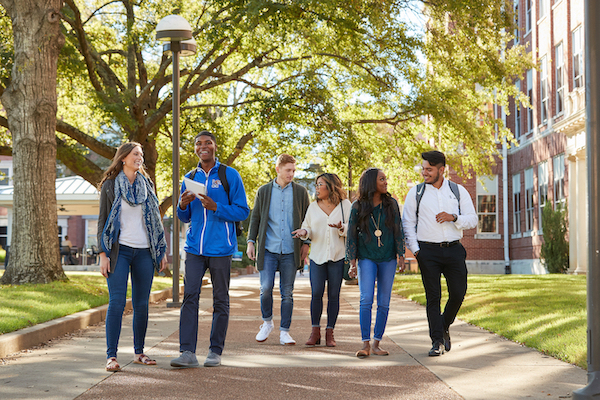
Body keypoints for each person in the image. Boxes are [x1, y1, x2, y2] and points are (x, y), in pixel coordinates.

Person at [170, 131, 249, 368]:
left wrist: (217, 207)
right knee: (190, 298)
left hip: (221, 248)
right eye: (198, 144)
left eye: (207, 143)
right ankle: (187, 352)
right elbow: (184, 216)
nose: (203, 147)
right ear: (195, 149)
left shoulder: (229, 175)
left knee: (220, 300)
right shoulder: (189, 177)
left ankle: (215, 351)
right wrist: (181, 205)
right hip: (195, 248)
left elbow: (242, 210)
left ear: (215, 147)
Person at [97, 142, 168, 372]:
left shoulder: (147, 185)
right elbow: (103, 221)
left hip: (145, 252)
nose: (140, 157)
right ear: (124, 158)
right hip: (120, 251)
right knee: (117, 303)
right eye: (136, 154)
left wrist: (160, 251)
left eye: (141, 154)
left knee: (141, 304)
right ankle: (111, 356)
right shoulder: (110, 186)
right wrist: (102, 254)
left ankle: (139, 352)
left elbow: (156, 221)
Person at [402, 150, 477, 356]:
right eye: (423, 169)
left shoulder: (458, 191)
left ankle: (444, 325)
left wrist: (454, 217)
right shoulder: (415, 193)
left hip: (453, 250)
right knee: (433, 297)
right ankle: (437, 341)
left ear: (441, 170)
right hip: (428, 252)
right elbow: (407, 224)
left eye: (429, 169)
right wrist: (417, 251)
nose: (424, 173)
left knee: (458, 293)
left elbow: (472, 219)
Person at [247, 154, 310, 345]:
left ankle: (284, 332)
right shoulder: (264, 191)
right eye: (288, 170)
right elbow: (256, 217)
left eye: (293, 170)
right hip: (268, 249)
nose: (292, 174)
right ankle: (267, 323)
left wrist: (306, 244)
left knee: (287, 292)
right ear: (278, 169)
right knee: (265, 288)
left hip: (291, 250)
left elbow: (308, 219)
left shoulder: (300, 192)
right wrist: (251, 241)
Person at [347, 168, 405, 358]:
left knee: (384, 302)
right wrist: (352, 262)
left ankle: (377, 343)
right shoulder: (357, 206)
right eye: (382, 179)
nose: (385, 182)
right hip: (366, 257)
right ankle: (365, 344)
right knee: (365, 299)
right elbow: (351, 235)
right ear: (372, 182)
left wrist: (401, 255)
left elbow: (398, 229)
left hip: (388, 257)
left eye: (385, 179)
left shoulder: (391, 204)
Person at [292, 173, 352, 347]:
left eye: (320, 185)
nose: (317, 188)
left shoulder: (344, 206)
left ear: (331, 186)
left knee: (334, 295)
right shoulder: (312, 207)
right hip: (317, 257)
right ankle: (315, 332)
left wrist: (342, 227)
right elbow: (307, 227)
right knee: (316, 293)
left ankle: (330, 333)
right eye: (316, 185)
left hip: (337, 256)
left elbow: (351, 227)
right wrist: (304, 233)